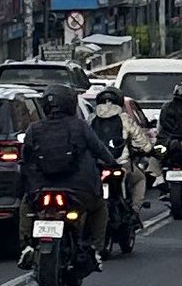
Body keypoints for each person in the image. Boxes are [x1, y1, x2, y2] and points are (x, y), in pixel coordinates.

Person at [17, 84, 118, 271]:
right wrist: (112, 162)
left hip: (41, 188)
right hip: (80, 189)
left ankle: (27, 246)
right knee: (99, 208)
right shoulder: (80, 126)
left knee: (26, 205)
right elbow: (99, 149)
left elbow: (25, 158)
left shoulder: (34, 128)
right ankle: (95, 250)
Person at [90, 86, 157, 218]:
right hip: (121, 163)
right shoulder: (124, 118)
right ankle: (134, 210)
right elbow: (140, 139)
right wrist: (148, 149)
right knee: (140, 179)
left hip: (97, 165)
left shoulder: (91, 119)